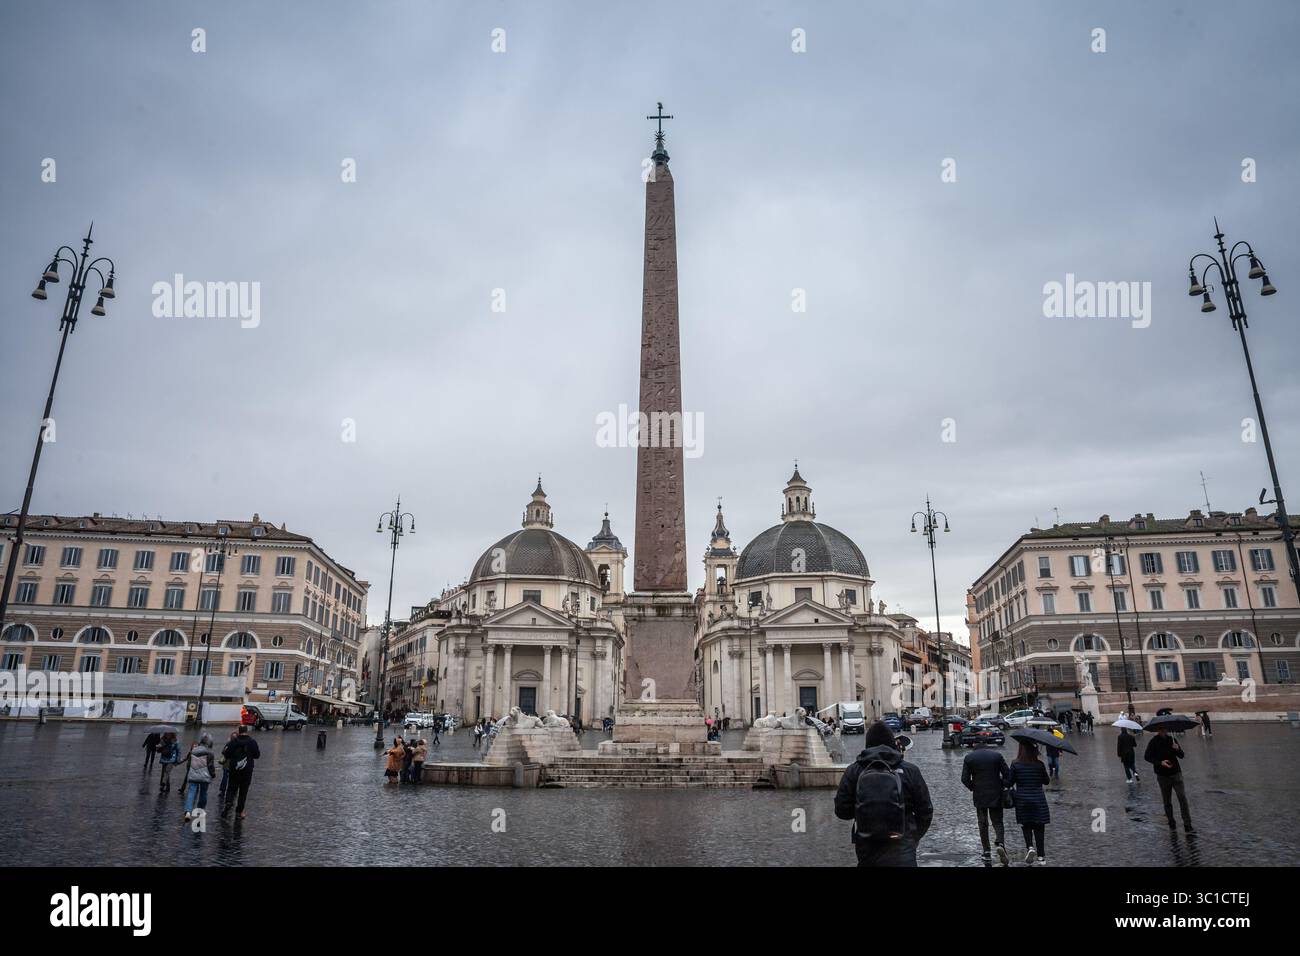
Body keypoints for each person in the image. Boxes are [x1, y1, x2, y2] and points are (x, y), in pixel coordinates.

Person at [833, 721, 933, 867]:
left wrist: (863, 810)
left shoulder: (853, 770)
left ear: (868, 744)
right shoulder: (910, 770)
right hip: (902, 846)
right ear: (892, 743)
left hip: (867, 847)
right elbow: (925, 811)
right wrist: (913, 836)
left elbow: (842, 811)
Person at [962, 736, 1011, 864]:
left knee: (982, 823)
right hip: (996, 792)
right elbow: (1008, 774)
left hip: (979, 794)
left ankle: (986, 851)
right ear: (986, 744)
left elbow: (964, 779)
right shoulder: (996, 756)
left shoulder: (969, 758)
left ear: (974, 744)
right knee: (998, 821)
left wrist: (973, 787)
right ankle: (1000, 842)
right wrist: (1003, 784)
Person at [1007, 741, 1050, 864]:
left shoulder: (1015, 764)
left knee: (1026, 825)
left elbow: (1009, 782)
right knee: (1039, 828)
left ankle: (1030, 847)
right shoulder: (1039, 764)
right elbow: (1046, 781)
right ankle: (1041, 857)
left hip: (1022, 800)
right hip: (1038, 799)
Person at [1144, 726, 1194, 833]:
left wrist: (1178, 749)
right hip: (1162, 776)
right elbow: (1147, 756)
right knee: (1167, 801)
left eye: (1165, 729)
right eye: (1161, 729)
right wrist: (1160, 762)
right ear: (1158, 730)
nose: (1163, 731)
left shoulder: (1172, 739)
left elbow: (1181, 755)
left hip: (1176, 773)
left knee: (1182, 798)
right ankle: (1171, 821)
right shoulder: (1153, 742)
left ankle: (1187, 823)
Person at [220, 724, 262, 820]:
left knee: (231, 788)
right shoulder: (252, 742)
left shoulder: (234, 742)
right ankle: (239, 812)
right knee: (243, 792)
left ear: (239, 731)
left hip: (234, 770)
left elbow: (227, 754)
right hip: (247, 771)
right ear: (246, 731)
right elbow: (257, 755)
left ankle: (228, 802)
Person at [183, 733, 217, 821]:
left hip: (193, 775)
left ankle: (188, 812)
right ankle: (200, 811)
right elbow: (210, 766)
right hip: (204, 776)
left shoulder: (194, 750)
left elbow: (189, 764)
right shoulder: (210, 752)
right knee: (203, 793)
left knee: (191, 793)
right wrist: (213, 774)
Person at [217, 730, 238, 801]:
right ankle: (233, 791)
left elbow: (223, 752)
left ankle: (222, 791)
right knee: (234, 779)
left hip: (227, 764)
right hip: (234, 765)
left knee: (225, 777)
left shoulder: (228, 744)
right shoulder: (239, 745)